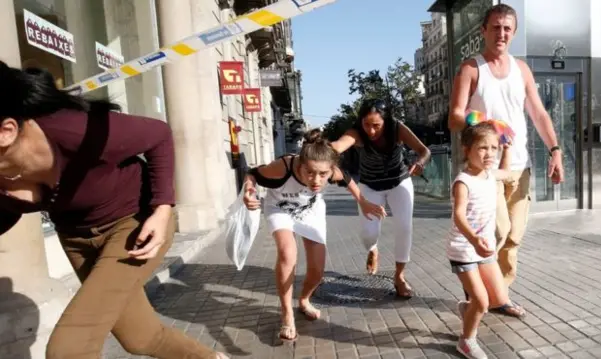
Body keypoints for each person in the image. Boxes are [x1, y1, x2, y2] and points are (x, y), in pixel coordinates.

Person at [0, 61, 227, 359]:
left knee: (69, 350)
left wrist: (162, 210)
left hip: (134, 226)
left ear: (6, 131)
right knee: (142, 338)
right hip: (76, 240)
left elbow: (158, 134)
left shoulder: (76, 131)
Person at [448, 4, 564, 296]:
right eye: (495, 27)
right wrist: (489, 123)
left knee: (513, 236)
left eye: (507, 28)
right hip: (485, 168)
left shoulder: (521, 69)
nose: (501, 33)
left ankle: (500, 293)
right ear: (483, 31)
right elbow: (455, 117)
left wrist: (556, 150)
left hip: (519, 165)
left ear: (514, 32)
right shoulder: (471, 69)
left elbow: (538, 113)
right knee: (496, 231)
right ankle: (480, 293)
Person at [242, 129, 386, 341]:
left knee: (318, 270)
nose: (316, 180)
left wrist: (363, 202)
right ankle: (287, 314)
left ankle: (304, 300)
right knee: (287, 254)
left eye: (323, 174)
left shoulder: (332, 170)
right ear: (300, 164)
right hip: (280, 207)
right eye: (310, 172)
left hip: (310, 210)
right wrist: (248, 189)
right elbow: (252, 173)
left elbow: (347, 180)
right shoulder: (282, 167)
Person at [331, 99, 430, 298]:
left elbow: (424, 151)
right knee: (368, 233)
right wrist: (324, 151)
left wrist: (420, 162)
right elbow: (338, 146)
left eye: (376, 125)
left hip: (399, 182)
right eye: (367, 124)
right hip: (370, 186)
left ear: (386, 121)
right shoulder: (357, 132)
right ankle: (373, 249)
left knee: (404, 227)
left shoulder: (397, 128)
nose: (371, 131)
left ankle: (399, 277)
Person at [449, 122, 524, 359]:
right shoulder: (463, 181)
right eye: (483, 148)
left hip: (485, 249)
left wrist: (508, 148)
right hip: (464, 248)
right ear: (466, 150)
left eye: (493, 147)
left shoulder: (490, 175)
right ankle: (466, 341)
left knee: (498, 299)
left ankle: (466, 309)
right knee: (481, 302)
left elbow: (506, 172)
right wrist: (473, 239)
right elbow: (459, 215)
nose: (489, 153)